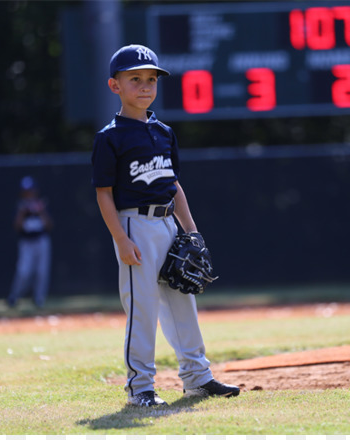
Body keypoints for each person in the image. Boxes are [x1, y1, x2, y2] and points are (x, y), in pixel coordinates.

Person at [91, 44, 240, 407]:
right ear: (115, 86)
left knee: (182, 302)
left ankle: (197, 379)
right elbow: (103, 194)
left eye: (151, 79)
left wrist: (191, 230)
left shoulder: (163, 132)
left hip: (168, 224)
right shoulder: (110, 137)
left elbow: (173, 186)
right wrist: (121, 239)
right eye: (135, 79)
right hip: (134, 225)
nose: (145, 86)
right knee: (142, 309)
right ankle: (140, 387)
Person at [6, 176, 53, 309]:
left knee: (42, 271)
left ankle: (39, 299)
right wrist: (23, 212)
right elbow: (16, 226)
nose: (29, 194)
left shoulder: (41, 205)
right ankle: (14, 297)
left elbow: (49, 225)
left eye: (31, 191)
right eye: (26, 191)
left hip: (41, 241)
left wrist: (40, 211)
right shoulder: (20, 207)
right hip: (26, 242)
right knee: (24, 271)